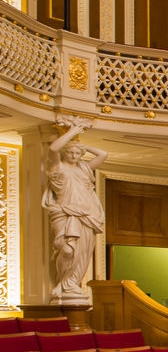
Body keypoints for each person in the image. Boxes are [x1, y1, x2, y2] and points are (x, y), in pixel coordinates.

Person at [43, 117, 106, 301]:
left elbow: (103, 154)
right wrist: (73, 133)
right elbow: (53, 149)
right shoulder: (58, 168)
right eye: (70, 152)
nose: (74, 156)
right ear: (64, 153)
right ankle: (63, 283)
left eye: (77, 153)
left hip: (87, 216)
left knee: (82, 254)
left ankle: (72, 284)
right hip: (65, 214)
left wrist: (83, 146)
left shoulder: (84, 169)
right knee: (67, 250)